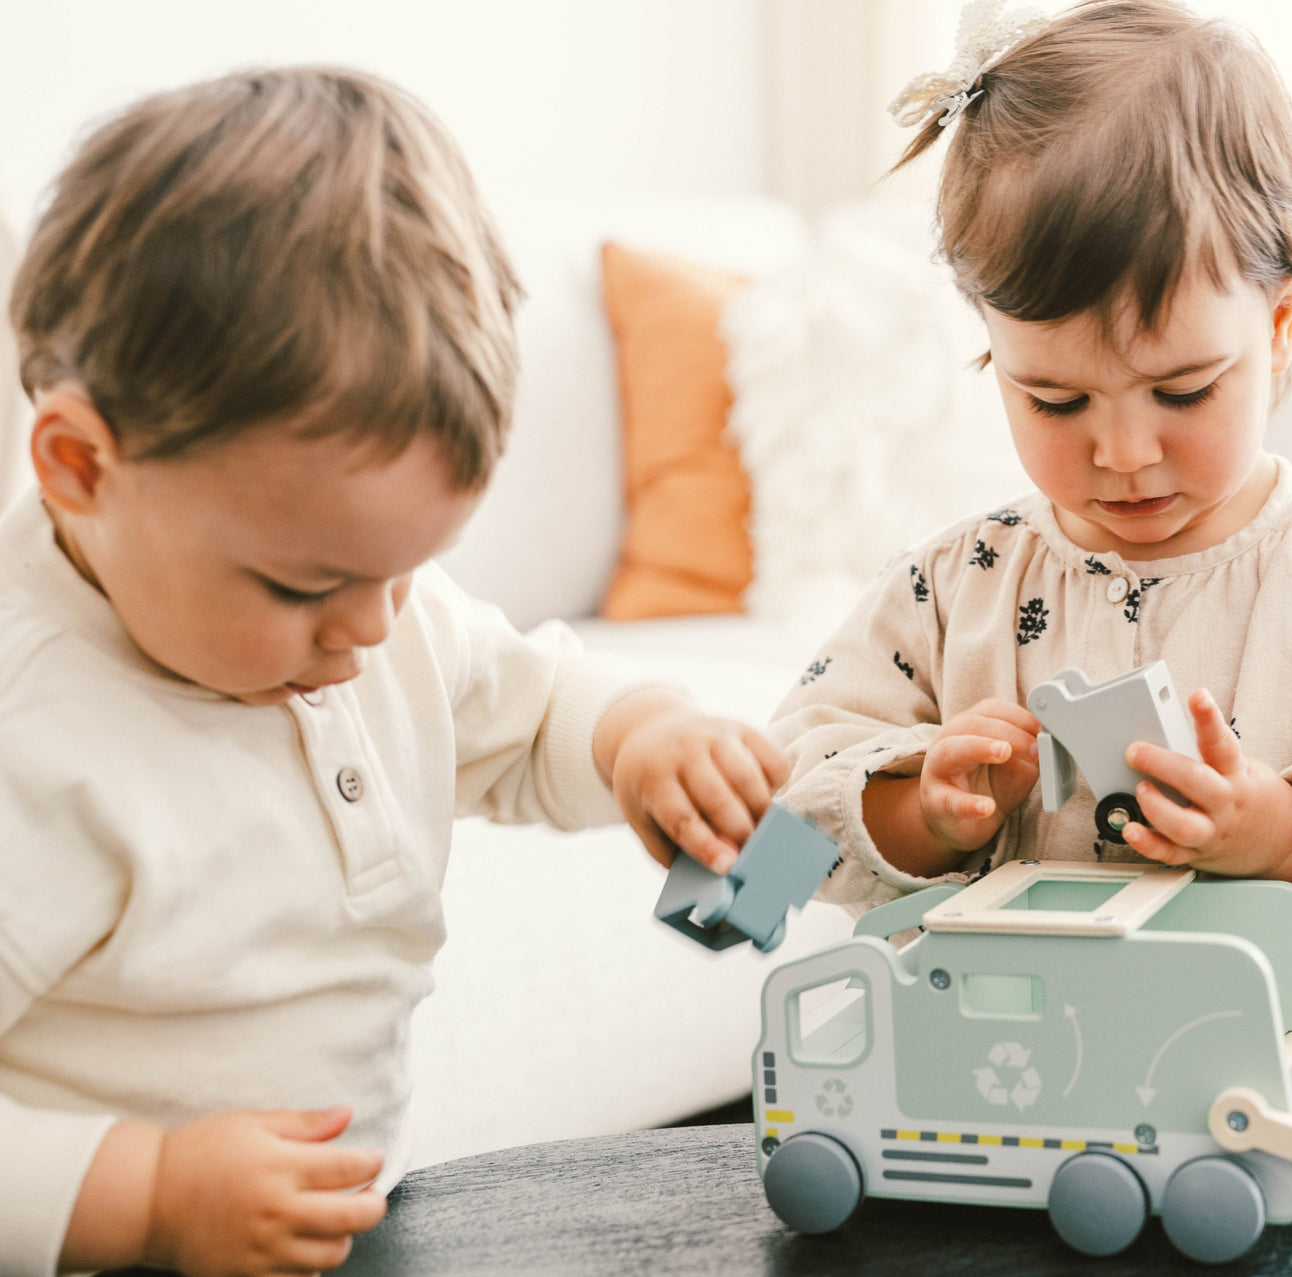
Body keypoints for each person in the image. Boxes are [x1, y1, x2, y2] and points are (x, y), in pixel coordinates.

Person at [0, 67, 789, 1276]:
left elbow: (526, 711)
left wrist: (643, 737)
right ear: (79, 465)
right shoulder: (34, 739)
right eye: (302, 587)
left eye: (410, 570)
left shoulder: (375, 615)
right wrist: (144, 1192)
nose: (370, 632)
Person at [771, 0, 1292, 1131]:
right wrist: (918, 807)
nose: (1122, 453)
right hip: (1006, 1111)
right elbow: (789, 803)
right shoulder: (952, 588)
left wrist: (1283, 832)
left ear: (1277, 328)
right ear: (988, 348)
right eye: (1053, 398)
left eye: (1182, 390)